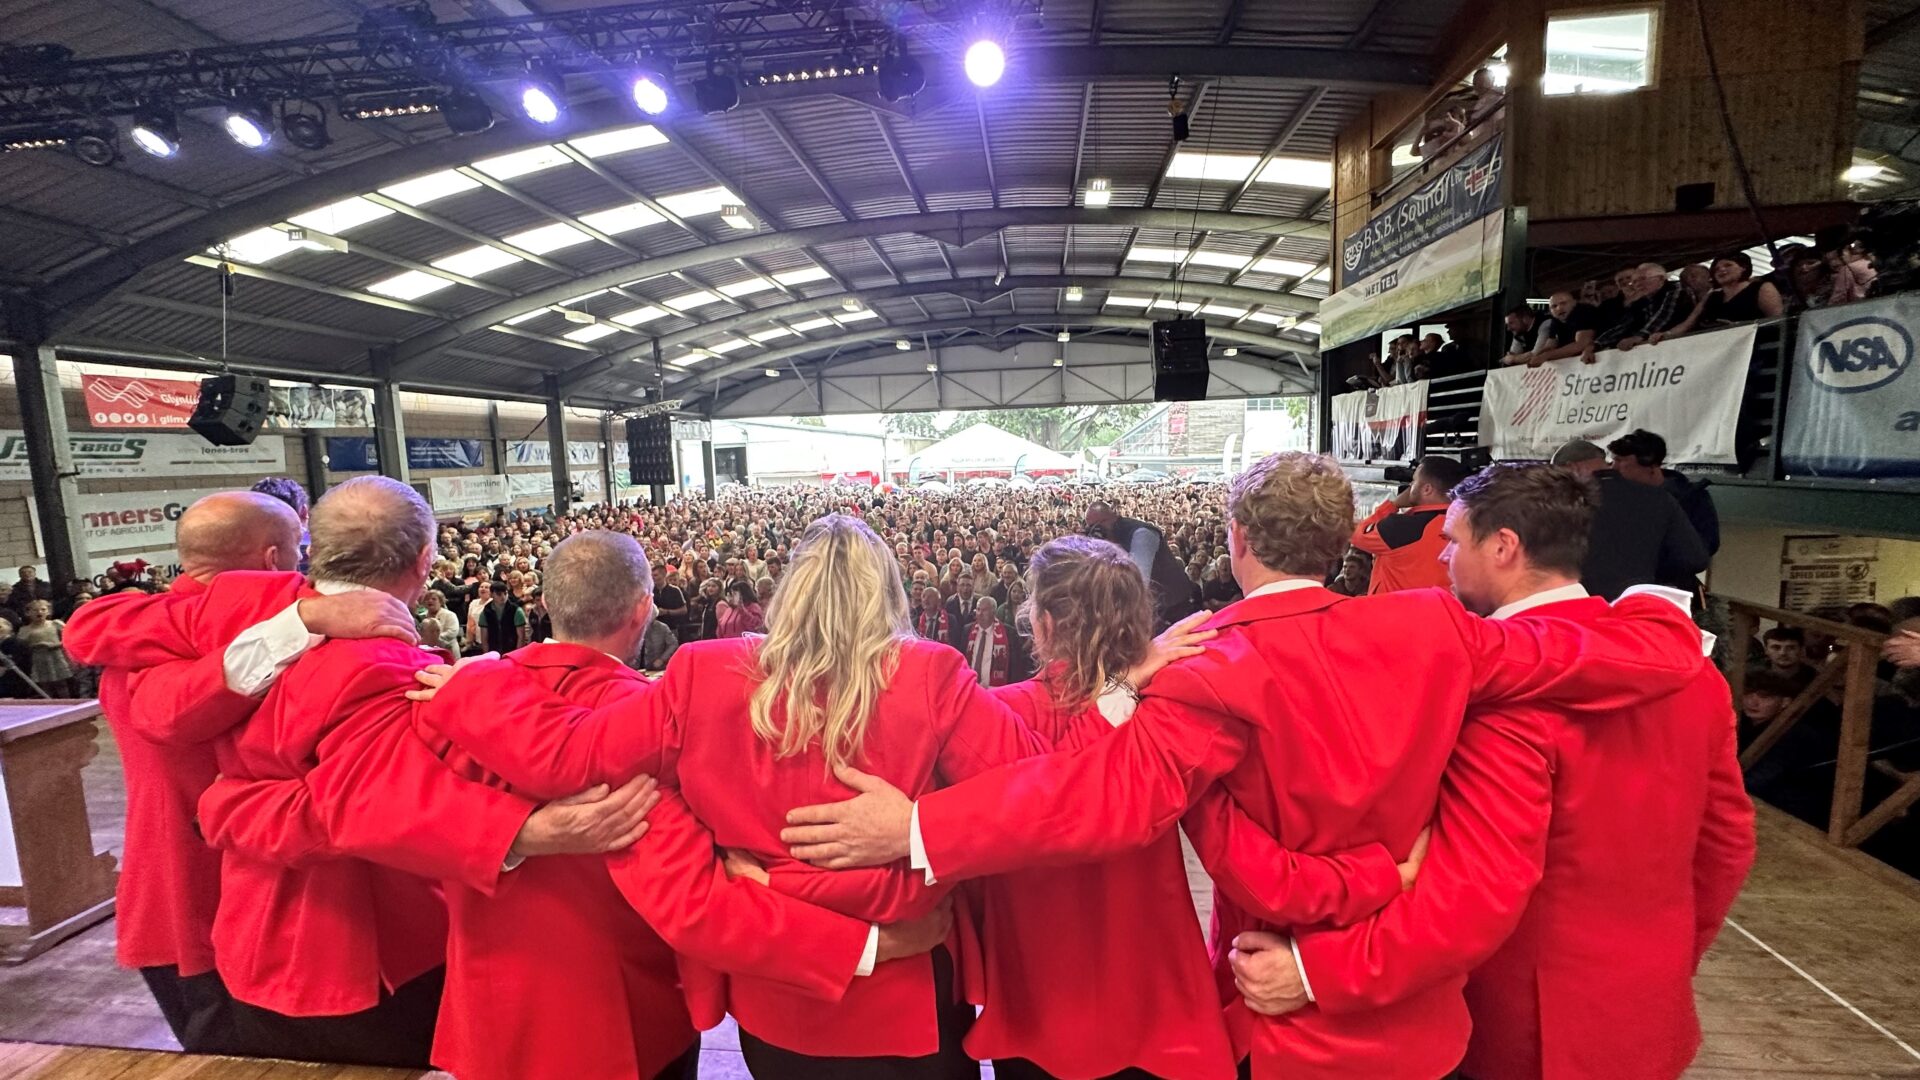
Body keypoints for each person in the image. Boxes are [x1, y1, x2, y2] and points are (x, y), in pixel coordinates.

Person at [775, 452, 1710, 1080]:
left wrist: (919, 829)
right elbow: (1577, 656)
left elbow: (1100, 803)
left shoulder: (1215, 662)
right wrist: (1669, 625)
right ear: (1346, 536)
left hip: (1279, 1002)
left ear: (1235, 539)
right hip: (1429, 1019)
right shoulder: (1436, 629)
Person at [407, 514, 1076, 1079]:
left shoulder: (703, 672)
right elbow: (1039, 791)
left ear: (789, 589)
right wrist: (919, 827)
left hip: (773, 987)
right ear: (889, 592)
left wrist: (476, 686)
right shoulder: (933, 674)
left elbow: (566, 757)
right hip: (908, 988)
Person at [66, 477, 653, 1068]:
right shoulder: (379, 661)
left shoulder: (235, 605)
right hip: (344, 948)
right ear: (425, 561)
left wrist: (235, 802)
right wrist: (524, 831)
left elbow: (107, 647)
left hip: (248, 932)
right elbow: (371, 800)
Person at [1234, 464, 1755, 1080]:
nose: (1446, 557)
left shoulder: (1496, 695)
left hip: (1524, 1022)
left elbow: (1477, 890)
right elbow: (1725, 846)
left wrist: (1318, 971)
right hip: (1649, 1002)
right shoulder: (1689, 674)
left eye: (1454, 540)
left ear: (1504, 546)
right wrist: (1659, 956)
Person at [968, 535, 1415, 1080]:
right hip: (1152, 993)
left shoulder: (996, 715)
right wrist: (1377, 875)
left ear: (1039, 624)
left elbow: (1036, 796)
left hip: (1038, 993)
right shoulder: (1160, 708)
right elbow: (1237, 853)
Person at [1550, 440, 1709, 599]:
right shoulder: (1659, 499)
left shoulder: (1564, 503)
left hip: (1577, 606)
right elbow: (1695, 559)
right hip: (1636, 607)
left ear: (1572, 467)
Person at [1350, 455, 1471, 594]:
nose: (1410, 486)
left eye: (1414, 481)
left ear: (1427, 489)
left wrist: (1393, 504)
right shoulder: (1471, 526)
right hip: (1446, 611)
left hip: (1395, 612)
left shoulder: (1401, 527)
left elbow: (1358, 534)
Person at [1084, 500, 1200, 628]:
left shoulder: (1142, 533)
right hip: (1150, 608)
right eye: (1091, 527)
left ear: (1114, 517)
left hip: (1172, 607)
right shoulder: (1106, 540)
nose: (1097, 530)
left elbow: (1139, 580)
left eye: (1101, 523)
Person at [1605, 429, 1720, 558]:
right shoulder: (1613, 498)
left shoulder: (1692, 498)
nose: (1613, 468)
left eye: (1620, 460)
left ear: (1650, 463)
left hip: (1669, 576)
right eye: (1613, 461)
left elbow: (1706, 547)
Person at [1652, 251, 1786, 342]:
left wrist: (1738, 327)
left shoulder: (1762, 288)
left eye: (1728, 265)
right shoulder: (1712, 296)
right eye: (1716, 268)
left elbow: (1778, 321)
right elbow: (1688, 323)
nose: (1721, 270)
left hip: (1755, 348)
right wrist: (1667, 335)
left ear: (1743, 268)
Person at [1604, 263, 1694, 350]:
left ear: (1661, 278)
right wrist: (1597, 343)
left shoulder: (1676, 288)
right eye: (1634, 282)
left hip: (1689, 344)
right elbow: (1626, 325)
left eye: (1643, 279)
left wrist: (1639, 336)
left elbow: (1663, 315)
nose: (1638, 284)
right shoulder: (1643, 300)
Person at [1505, 290, 1600, 368]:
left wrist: (1546, 356)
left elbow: (1581, 344)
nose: (1559, 308)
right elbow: (1550, 345)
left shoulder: (1583, 311)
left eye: (1563, 303)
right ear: (1550, 310)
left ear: (1574, 303)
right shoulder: (1555, 320)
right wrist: (1536, 357)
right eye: (1554, 306)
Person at [17, 598, 75, 697]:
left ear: (48, 611)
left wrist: (56, 645)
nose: (39, 612)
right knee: (45, 685)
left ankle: (66, 703)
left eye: (43, 609)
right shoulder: (25, 630)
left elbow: (71, 637)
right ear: (28, 613)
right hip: (39, 658)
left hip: (56, 656)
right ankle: (49, 703)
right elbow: (21, 646)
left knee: (61, 684)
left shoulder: (55, 624)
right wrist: (34, 646)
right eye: (35, 610)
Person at [1757, 626, 1821, 692]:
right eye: (1776, 647)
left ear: (1801, 650)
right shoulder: (1754, 676)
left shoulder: (1816, 679)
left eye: (1790, 648)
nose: (1783, 653)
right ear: (1766, 650)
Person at [965, 595, 1008, 688]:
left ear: (993, 612)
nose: (980, 613)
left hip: (994, 690)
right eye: (978, 609)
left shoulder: (1008, 633)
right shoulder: (967, 630)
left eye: (984, 610)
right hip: (970, 687)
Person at [476, 579, 529, 654]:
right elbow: (484, 638)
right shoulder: (486, 612)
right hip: (493, 651)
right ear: (491, 594)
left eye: (505, 593)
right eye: (499, 594)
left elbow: (521, 637)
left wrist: (517, 655)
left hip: (512, 651)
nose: (503, 597)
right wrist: (487, 655)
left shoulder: (516, 610)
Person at [419, 589, 461, 653]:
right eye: (427, 599)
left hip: (448, 650)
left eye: (434, 599)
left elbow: (452, 632)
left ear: (441, 602)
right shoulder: (421, 616)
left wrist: (432, 638)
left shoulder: (450, 615)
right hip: (427, 651)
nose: (430, 601)